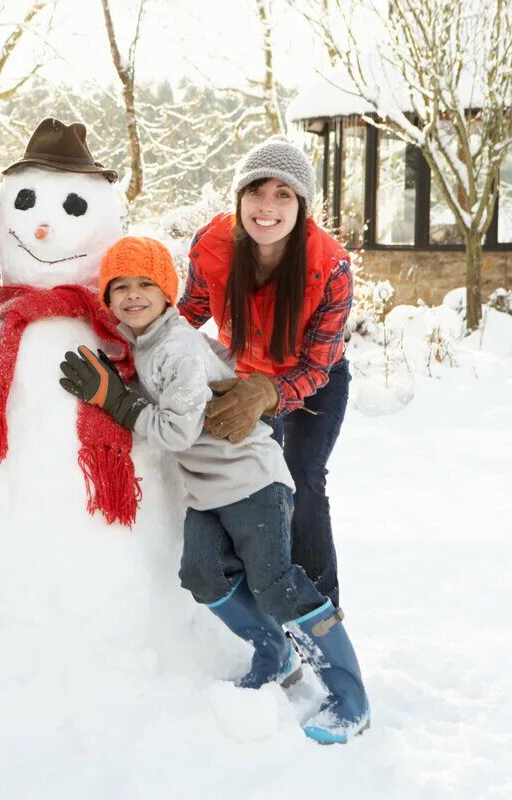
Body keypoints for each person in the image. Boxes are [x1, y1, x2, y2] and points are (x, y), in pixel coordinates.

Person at [58, 236, 369, 744]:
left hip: (250, 479)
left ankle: (349, 696)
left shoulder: (177, 348)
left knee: (276, 584)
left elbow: (176, 431)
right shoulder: (148, 342)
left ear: (167, 293)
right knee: (202, 574)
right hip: (205, 488)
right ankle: (275, 653)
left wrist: (115, 400)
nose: (133, 296)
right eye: (120, 287)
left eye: (146, 285)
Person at [179, 136, 354, 608]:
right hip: (246, 377)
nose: (267, 206)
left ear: (302, 205)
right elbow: (187, 315)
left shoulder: (330, 266)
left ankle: (319, 608)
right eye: (256, 191)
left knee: (303, 476)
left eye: (283, 194)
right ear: (239, 198)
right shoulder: (212, 247)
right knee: (254, 482)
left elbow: (318, 365)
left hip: (315, 382)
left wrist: (266, 393)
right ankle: (256, 599)